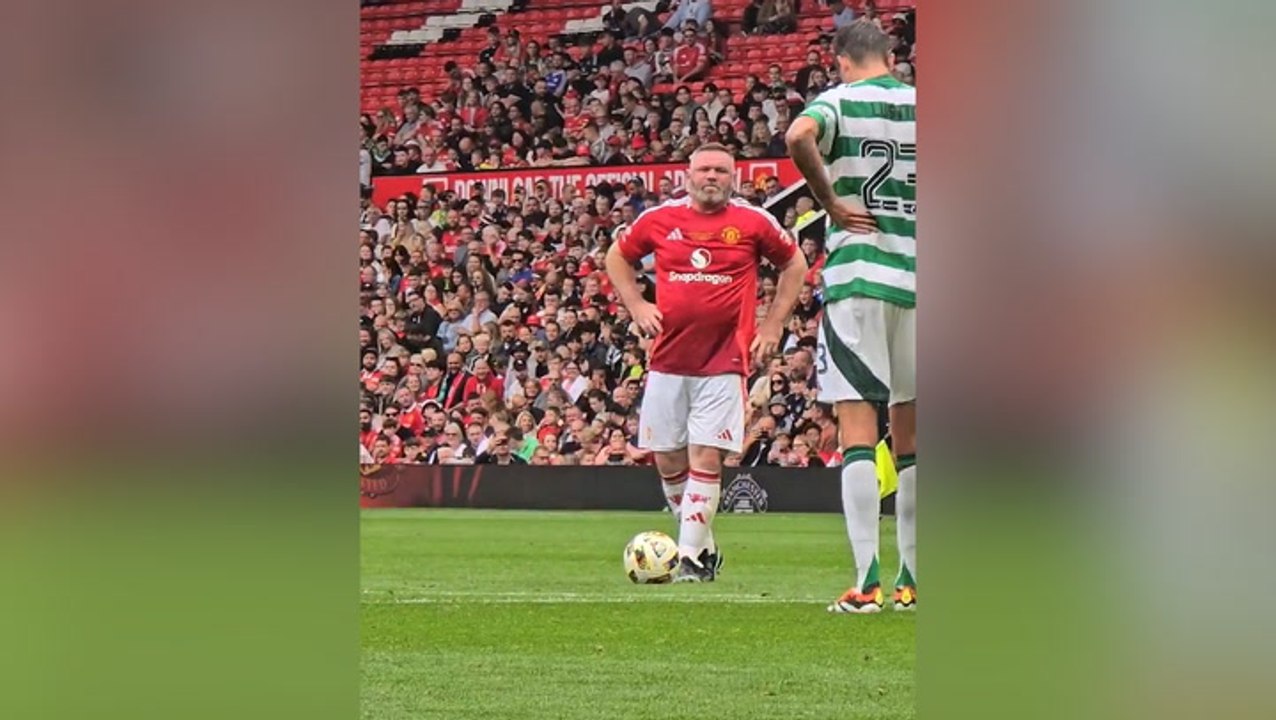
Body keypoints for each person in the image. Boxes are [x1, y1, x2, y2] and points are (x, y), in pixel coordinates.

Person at [604, 142, 809, 582]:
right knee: (669, 462)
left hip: (725, 358)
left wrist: (772, 327)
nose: (711, 177)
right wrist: (638, 305)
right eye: (704, 170)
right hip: (666, 357)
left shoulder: (753, 221)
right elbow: (617, 256)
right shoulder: (659, 220)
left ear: (733, 177)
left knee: (706, 455)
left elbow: (795, 263)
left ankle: (690, 560)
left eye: (720, 170)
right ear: (689, 175)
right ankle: (706, 546)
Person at [785, 20, 917, 613]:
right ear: (891, 56)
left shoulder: (836, 101)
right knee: (914, 438)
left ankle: (866, 582)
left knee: (859, 429)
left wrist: (830, 201)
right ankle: (915, 581)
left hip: (861, 277)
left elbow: (798, 136)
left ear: (839, 61)